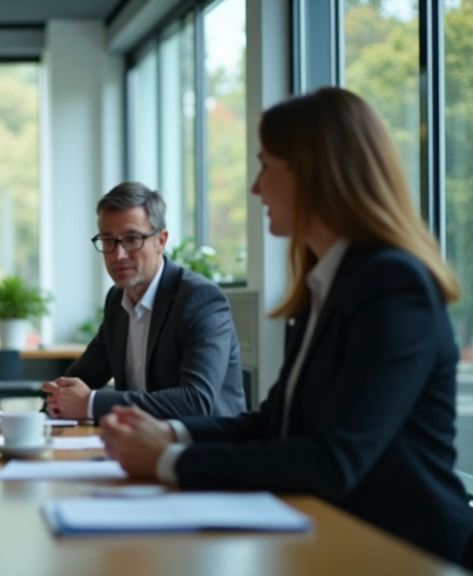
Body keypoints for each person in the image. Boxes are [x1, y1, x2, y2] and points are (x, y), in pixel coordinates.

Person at [99, 87, 473, 568]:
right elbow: (273, 424)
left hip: (402, 550)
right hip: (332, 535)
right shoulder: (332, 283)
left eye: (267, 165)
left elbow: (332, 460)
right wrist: (170, 435)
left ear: (317, 174)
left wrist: (170, 460)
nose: (256, 188)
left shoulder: (392, 285)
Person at [43, 182, 246, 422]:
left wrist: (90, 404)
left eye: (132, 239)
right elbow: (83, 376)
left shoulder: (200, 299)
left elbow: (196, 401)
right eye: (108, 241)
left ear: (161, 240)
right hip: (140, 447)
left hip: (203, 450)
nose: (119, 255)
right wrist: (56, 401)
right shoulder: (117, 299)